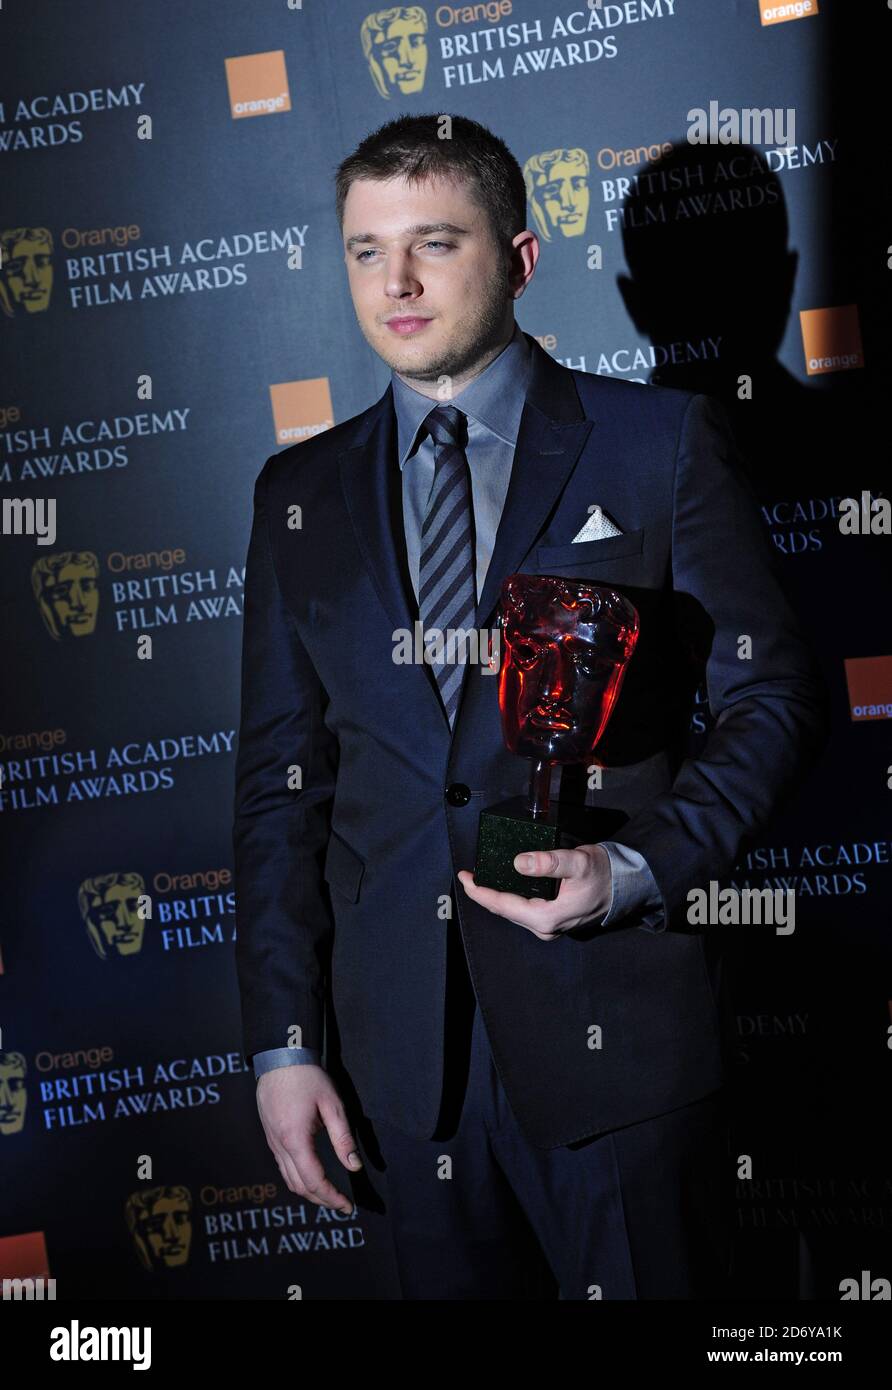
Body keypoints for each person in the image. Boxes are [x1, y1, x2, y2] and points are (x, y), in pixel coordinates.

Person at [232, 113, 827, 1300]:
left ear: (520, 256)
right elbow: (278, 786)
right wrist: (284, 1043)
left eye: (433, 243)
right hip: (404, 1079)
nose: (393, 283)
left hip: (619, 1053)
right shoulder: (296, 493)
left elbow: (772, 699)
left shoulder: (657, 445)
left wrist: (645, 866)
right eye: (365, 250)